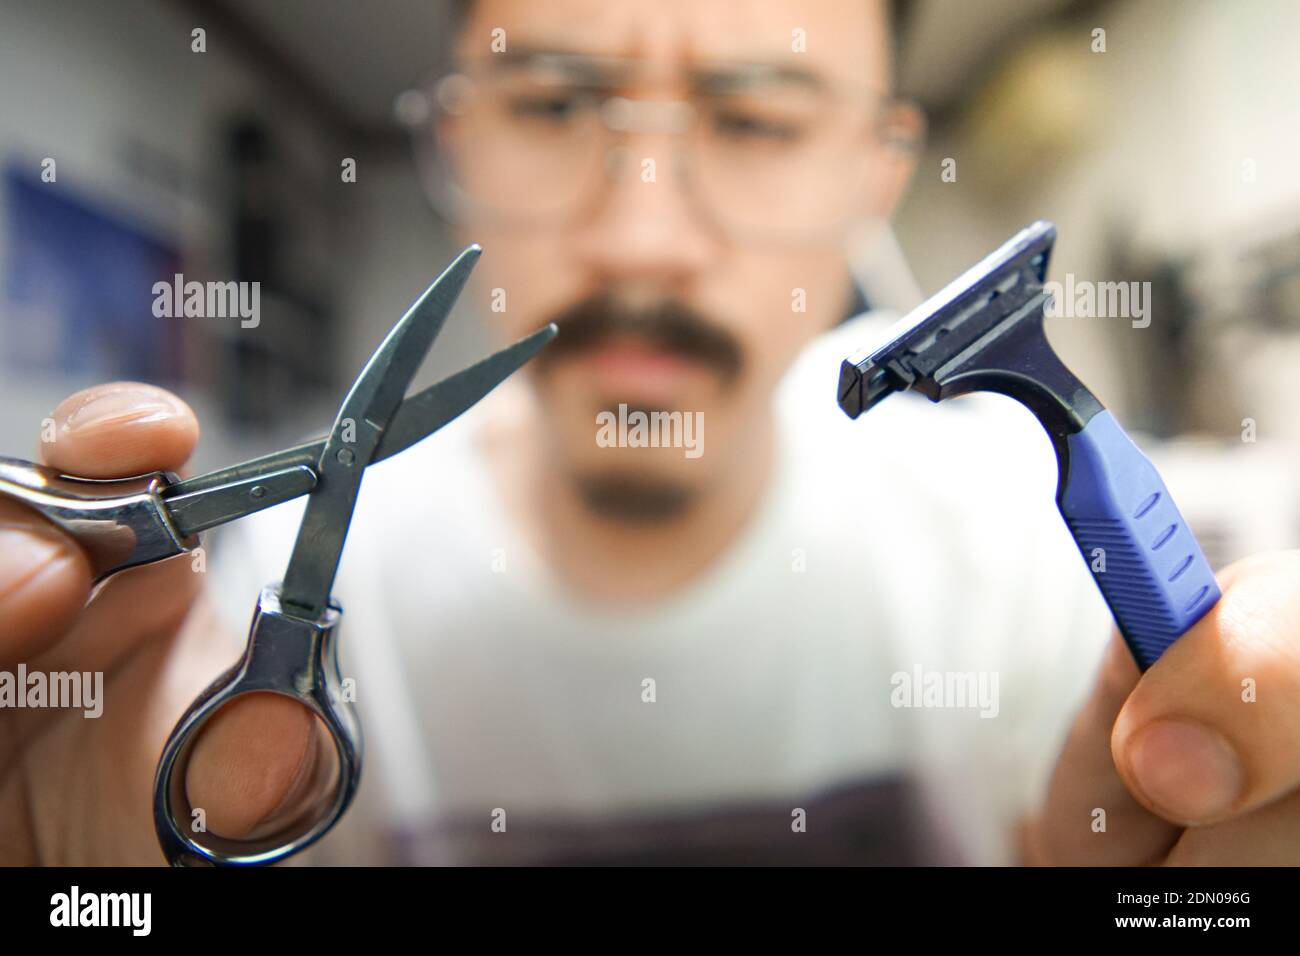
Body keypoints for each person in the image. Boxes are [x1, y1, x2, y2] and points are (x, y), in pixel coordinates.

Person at [3, 0, 1299, 866]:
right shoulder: (206, 626)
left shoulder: (1035, 542)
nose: (642, 238)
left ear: (875, 176)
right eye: (558, 107)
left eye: (756, 121)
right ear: (457, 139)